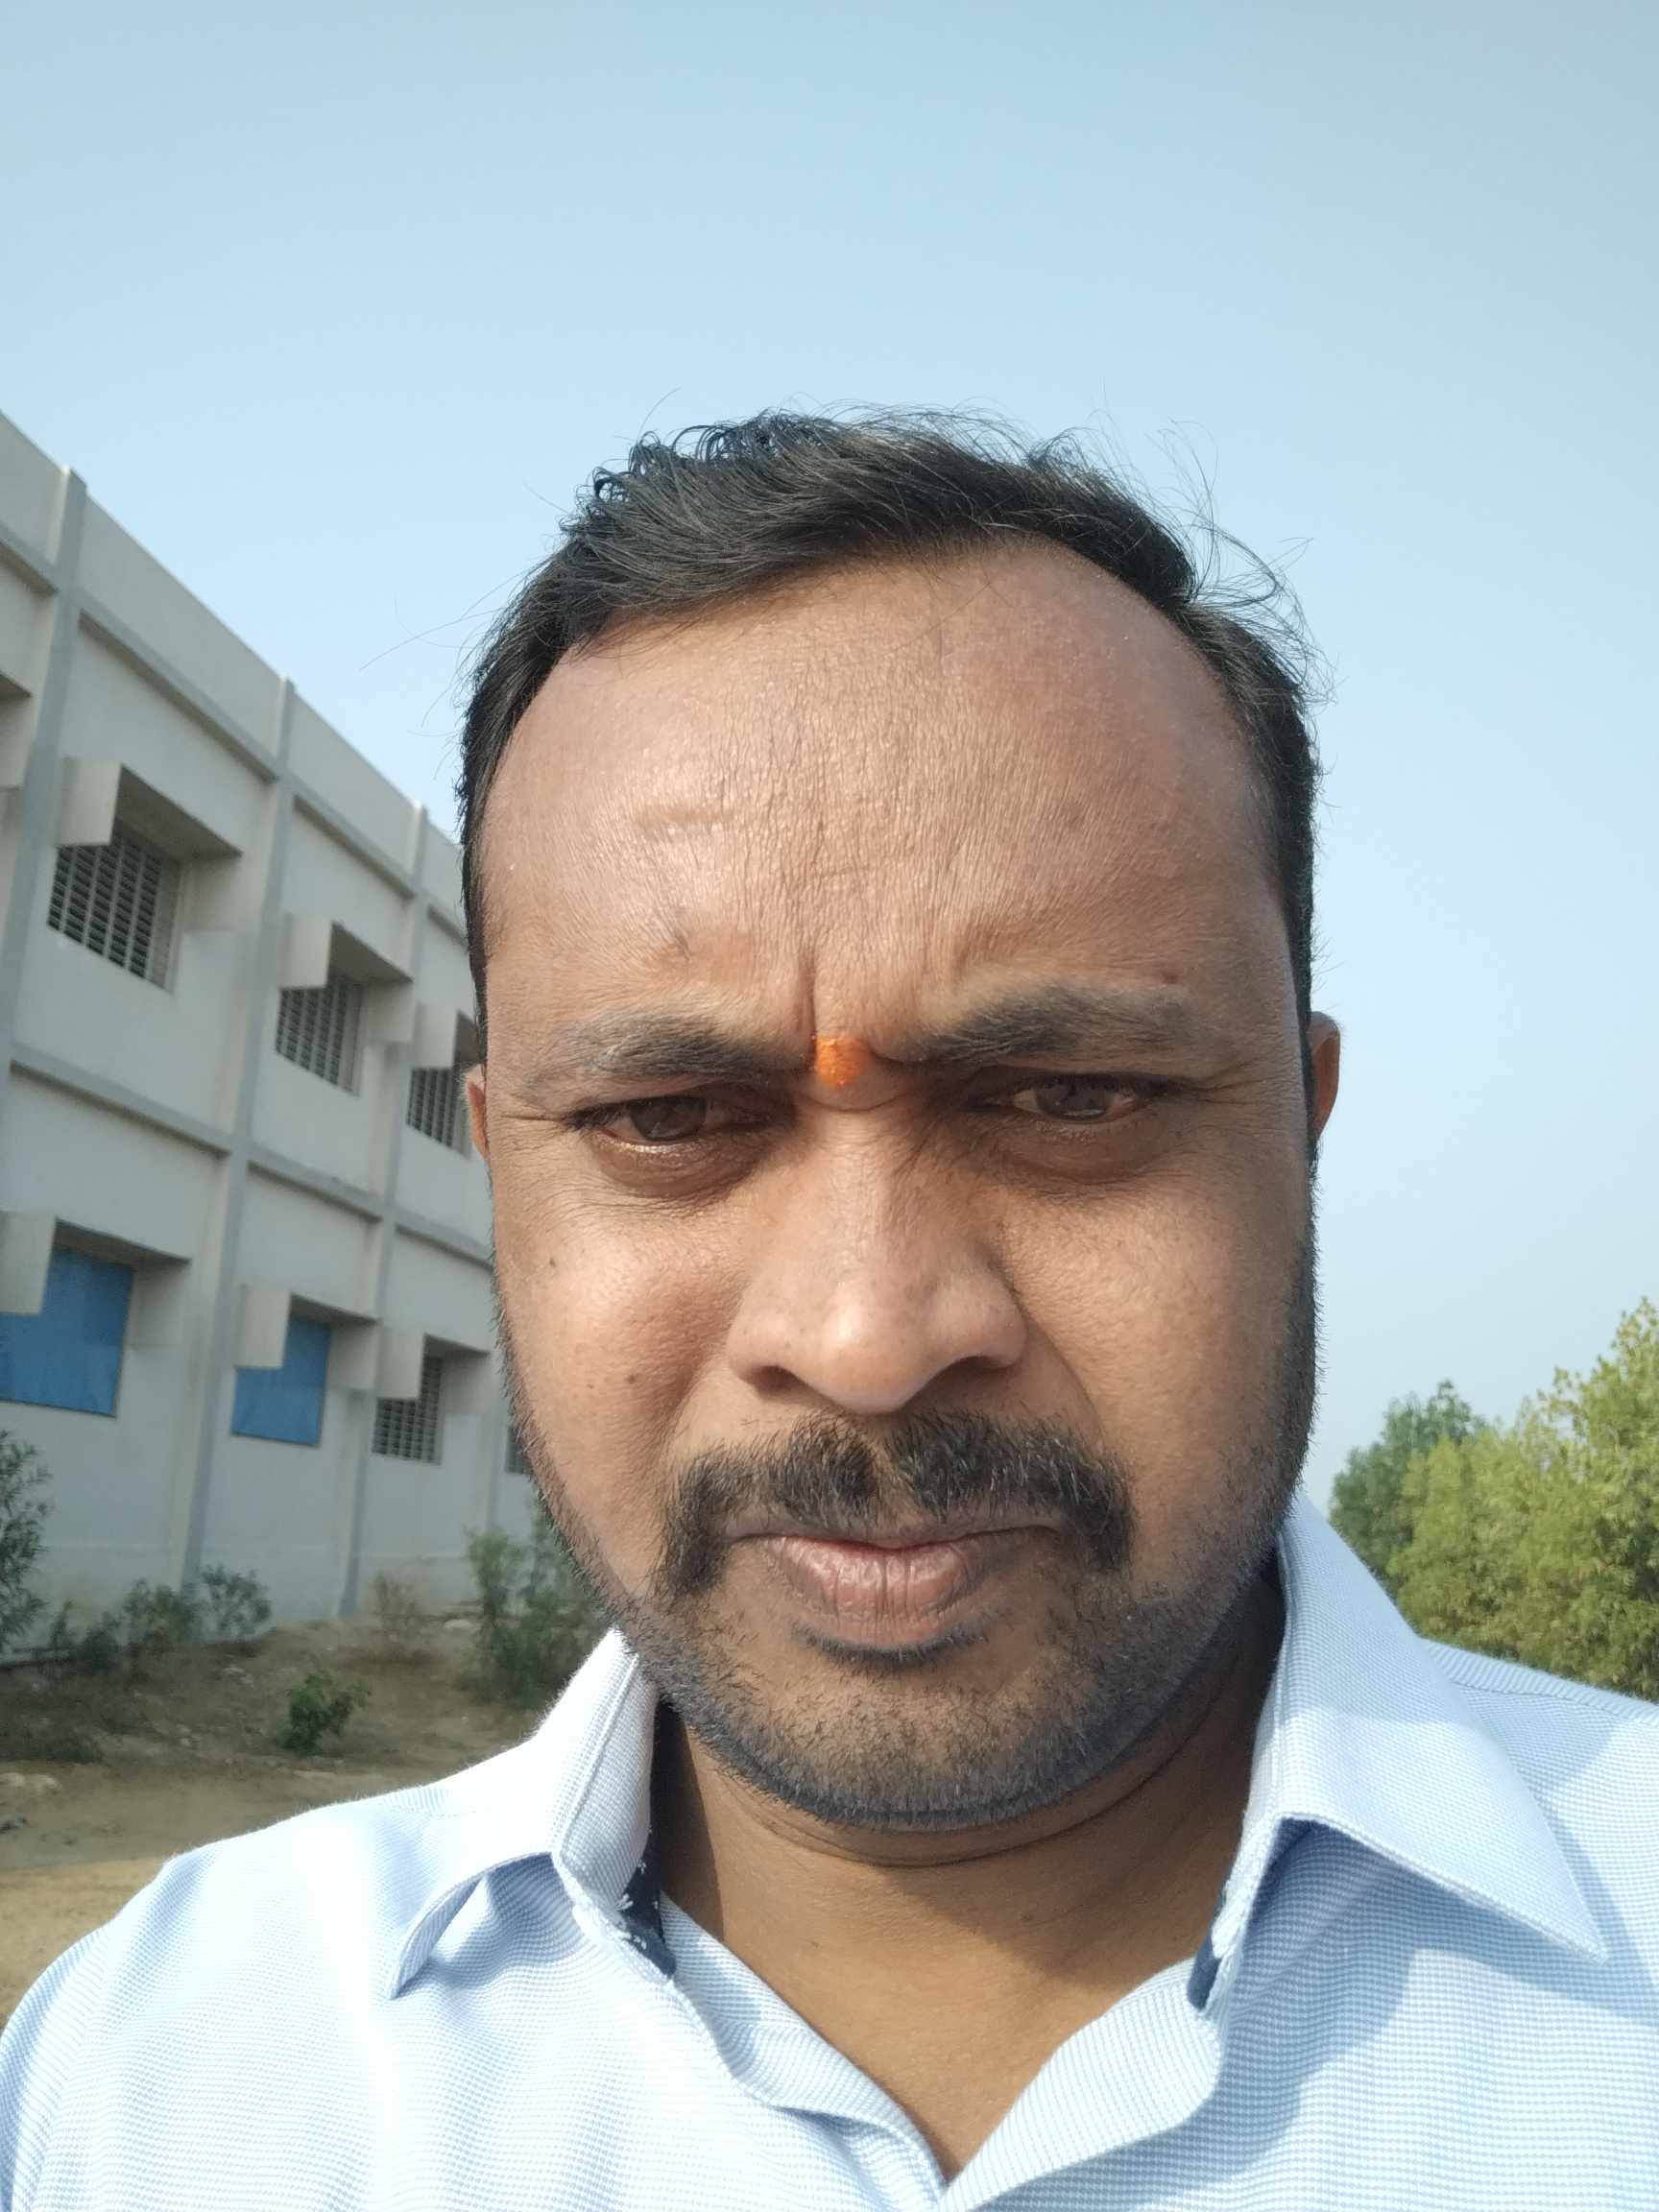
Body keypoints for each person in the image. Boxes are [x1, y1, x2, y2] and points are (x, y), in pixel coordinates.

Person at [4, 413, 1656, 2211]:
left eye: (1072, 1095)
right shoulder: (154, 2081)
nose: (870, 1339)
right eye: (667, 1120)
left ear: (1301, 1129)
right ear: (499, 1171)